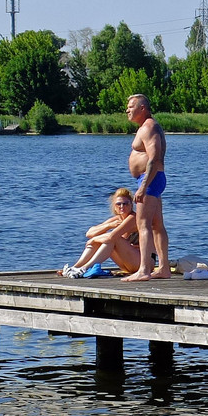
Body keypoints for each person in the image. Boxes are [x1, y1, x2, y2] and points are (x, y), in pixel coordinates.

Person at [122, 94, 170, 282]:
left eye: (131, 106)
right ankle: (164, 268)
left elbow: (154, 158)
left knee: (143, 225)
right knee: (157, 225)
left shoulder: (149, 127)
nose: (128, 110)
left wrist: (143, 186)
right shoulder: (146, 127)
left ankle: (144, 269)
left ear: (143, 108)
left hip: (149, 180)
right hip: (151, 180)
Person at [59, 188, 141, 277]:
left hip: (140, 262)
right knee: (104, 240)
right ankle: (75, 268)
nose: (122, 206)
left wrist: (94, 239)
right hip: (126, 265)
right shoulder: (116, 220)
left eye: (125, 203)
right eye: (118, 204)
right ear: (114, 206)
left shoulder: (133, 218)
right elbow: (89, 233)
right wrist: (109, 226)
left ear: (131, 205)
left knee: (113, 239)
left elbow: (111, 237)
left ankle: (84, 268)